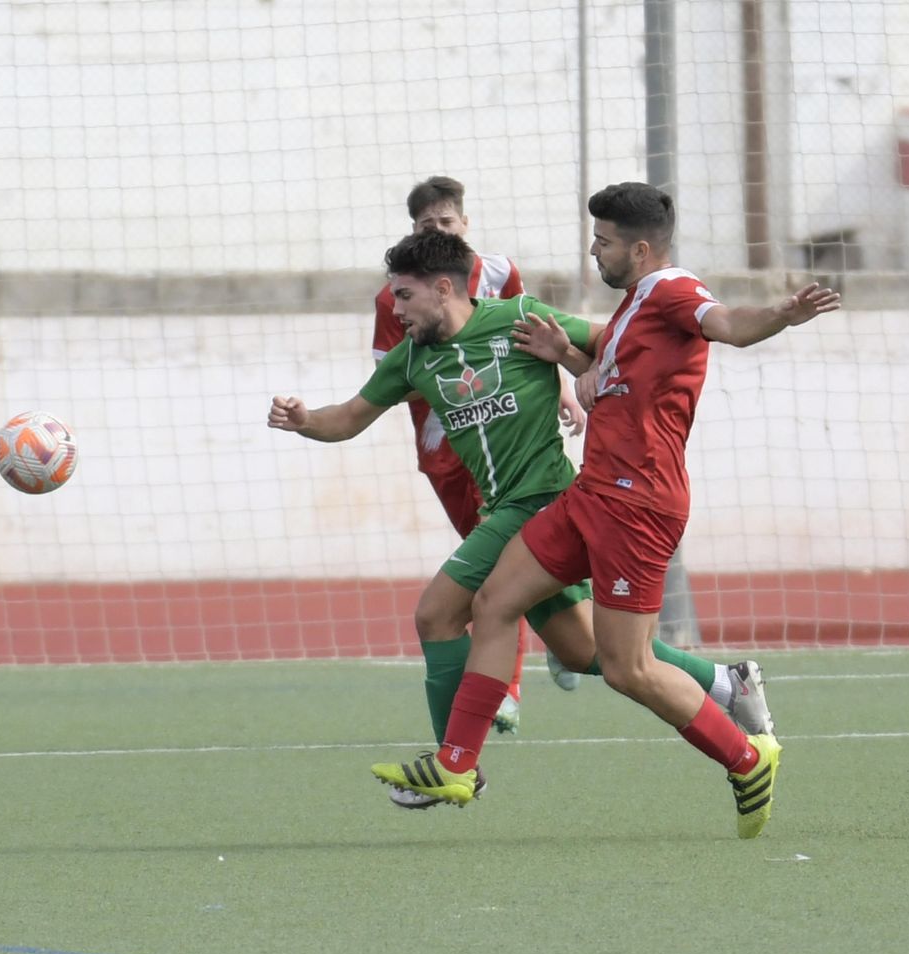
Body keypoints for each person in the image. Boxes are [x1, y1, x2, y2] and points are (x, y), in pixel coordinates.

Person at [370, 182, 840, 839]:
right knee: (494, 603)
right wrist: (569, 361)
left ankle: (744, 755)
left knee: (626, 668)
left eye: (604, 243)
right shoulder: (627, 313)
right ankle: (456, 764)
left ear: (640, 249)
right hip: (590, 493)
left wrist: (784, 314)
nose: (595, 253)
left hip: (637, 507)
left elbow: (728, 325)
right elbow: (618, 379)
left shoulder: (672, 288)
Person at [271, 229, 772, 806]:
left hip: (547, 499)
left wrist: (575, 364)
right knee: (586, 652)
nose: (395, 309)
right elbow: (351, 416)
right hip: (508, 507)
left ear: (442, 289)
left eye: (404, 297)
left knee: (438, 614)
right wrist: (305, 419)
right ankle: (723, 684)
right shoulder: (413, 359)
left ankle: (454, 762)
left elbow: (620, 342)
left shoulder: (519, 318)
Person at [371, 176, 588, 752]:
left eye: (446, 222)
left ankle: (496, 698)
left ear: (464, 225)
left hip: (525, 465)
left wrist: (566, 383)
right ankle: (559, 649)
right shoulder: (396, 300)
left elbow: (532, 343)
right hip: (451, 446)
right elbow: (385, 377)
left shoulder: (502, 281)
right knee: (498, 571)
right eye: (426, 224)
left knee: (477, 583)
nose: (437, 229)